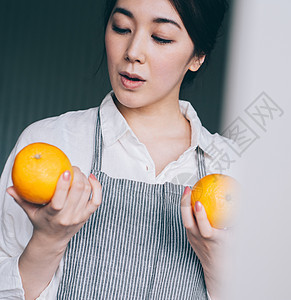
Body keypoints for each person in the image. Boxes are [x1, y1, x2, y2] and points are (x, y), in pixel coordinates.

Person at [0, 0, 232, 299]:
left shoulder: (234, 172)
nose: (132, 53)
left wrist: (219, 266)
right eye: (122, 28)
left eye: (160, 37)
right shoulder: (51, 142)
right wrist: (48, 240)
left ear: (198, 55)